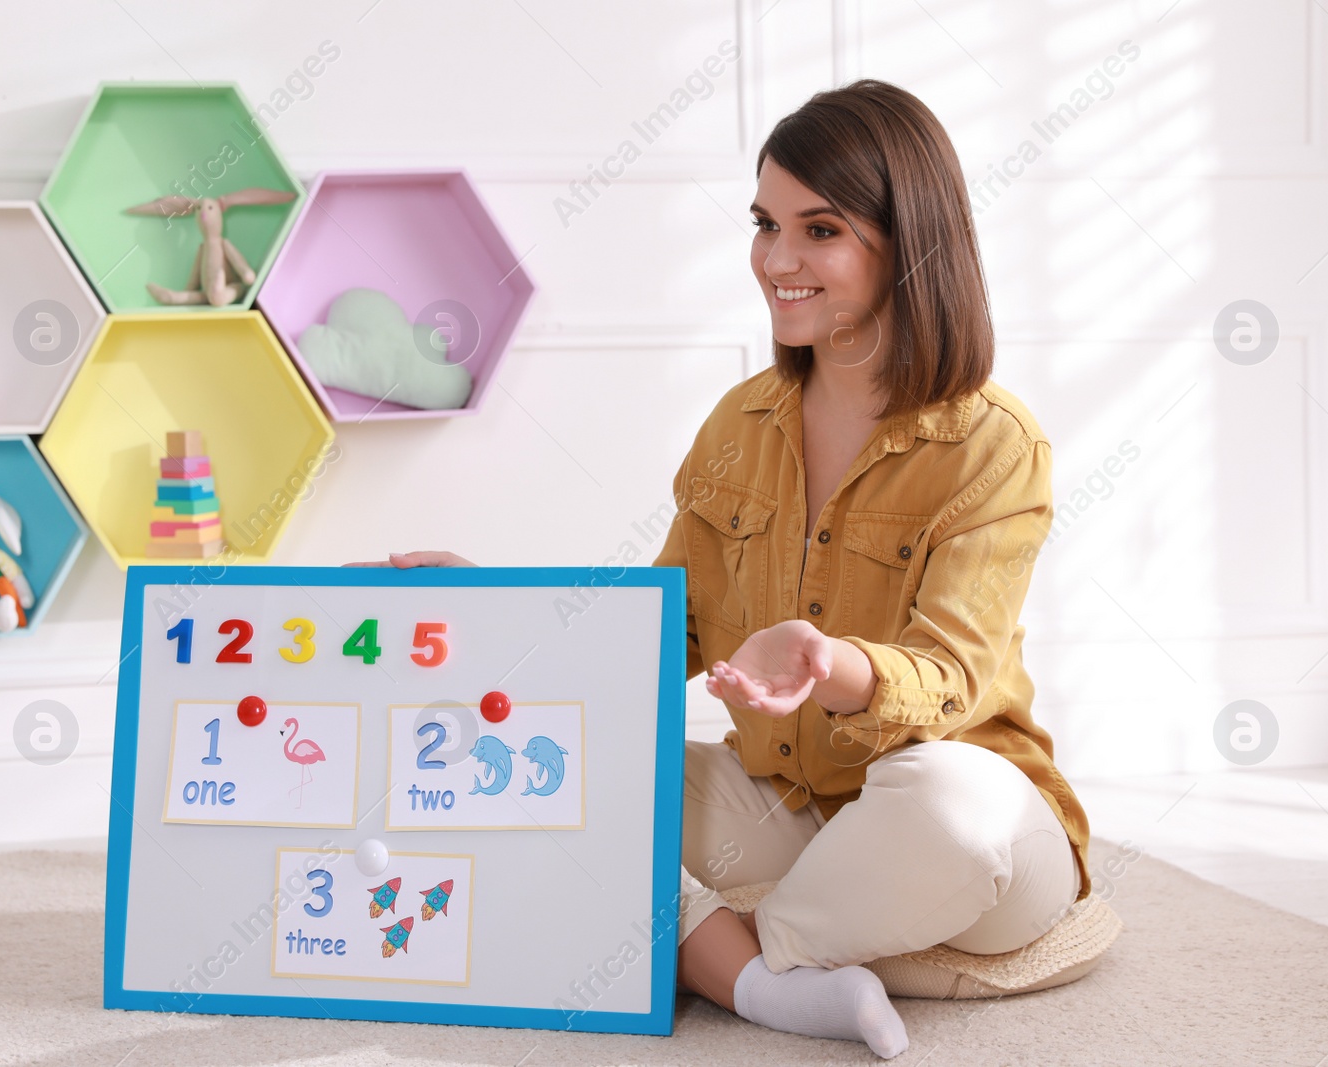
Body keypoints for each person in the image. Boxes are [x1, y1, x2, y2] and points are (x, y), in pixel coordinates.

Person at [365, 78, 1091, 1061]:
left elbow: (952, 676)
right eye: (764, 223)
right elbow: (668, 631)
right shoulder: (740, 423)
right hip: (787, 810)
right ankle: (772, 977)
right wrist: (496, 602)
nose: (777, 260)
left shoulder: (992, 444)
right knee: (557, 774)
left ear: (908, 239)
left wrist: (829, 664)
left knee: (953, 816)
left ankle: (730, 955)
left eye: (820, 229)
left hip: (962, 820)